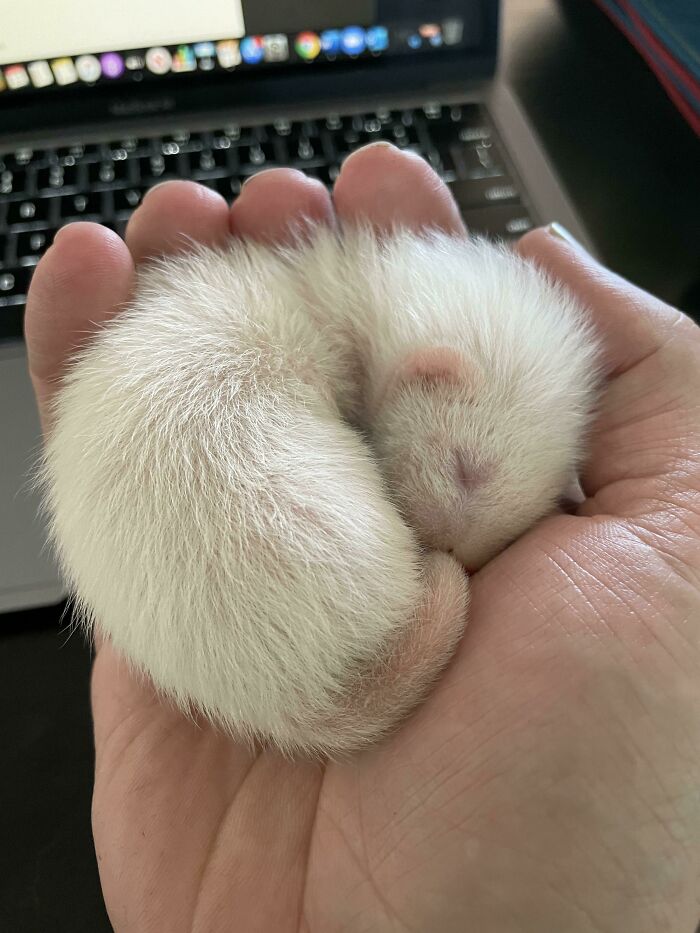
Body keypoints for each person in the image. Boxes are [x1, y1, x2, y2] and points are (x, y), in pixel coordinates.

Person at [24, 143, 700, 931]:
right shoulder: (315, 336)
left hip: (268, 601)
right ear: (432, 373)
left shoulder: (288, 306)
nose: (464, 544)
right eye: (470, 474)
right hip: (310, 574)